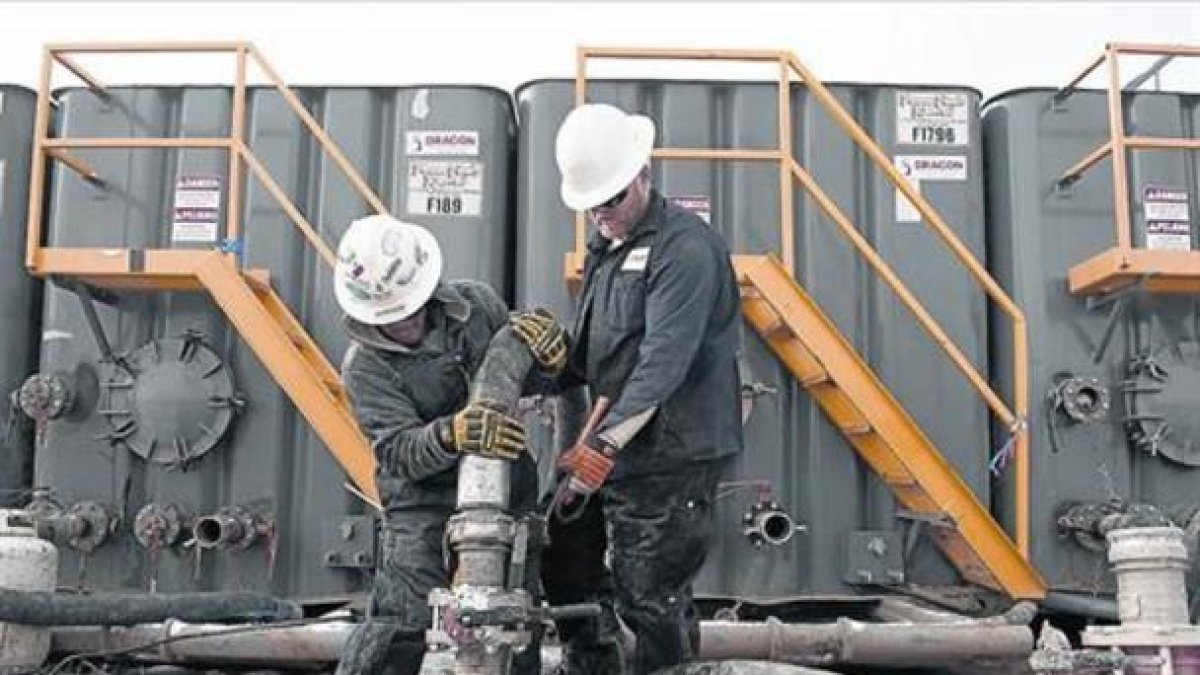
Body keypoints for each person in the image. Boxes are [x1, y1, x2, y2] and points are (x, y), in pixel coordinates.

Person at [543, 103, 745, 674]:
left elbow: (662, 363)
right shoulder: (607, 246)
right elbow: (589, 351)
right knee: (563, 555)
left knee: (650, 591)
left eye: (613, 199)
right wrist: (536, 366)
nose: (602, 213)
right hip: (619, 444)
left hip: (671, 452)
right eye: (592, 205)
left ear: (643, 175)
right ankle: (595, 665)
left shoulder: (685, 249)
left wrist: (602, 446)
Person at [331, 214, 566, 675]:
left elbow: (520, 377)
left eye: (412, 308)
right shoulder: (365, 368)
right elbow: (398, 452)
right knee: (400, 625)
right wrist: (453, 434)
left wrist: (552, 361)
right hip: (423, 504)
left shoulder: (476, 305)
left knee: (515, 618)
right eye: (393, 316)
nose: (407, 321)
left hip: (506, 494)